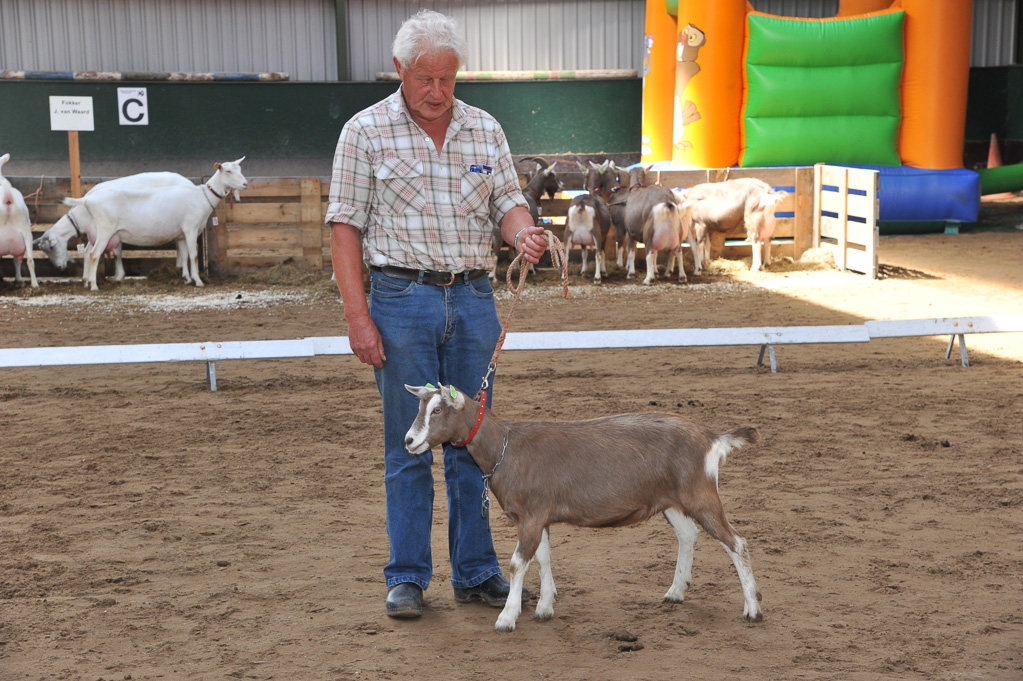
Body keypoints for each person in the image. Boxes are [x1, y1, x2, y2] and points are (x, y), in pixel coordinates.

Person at [325, 9, 547, 619]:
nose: (438, 91)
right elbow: (344, 229)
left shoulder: (485, 130)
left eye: (448, 79)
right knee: (413, 444)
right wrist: (357, 318)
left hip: (475, 301)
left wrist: (524, 233)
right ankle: (408, 578)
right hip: (400, 302)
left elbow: (507, 202)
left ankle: (477, 573)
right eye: (426, 78)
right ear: (399, 69)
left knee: (477, 444)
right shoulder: (364, 132)